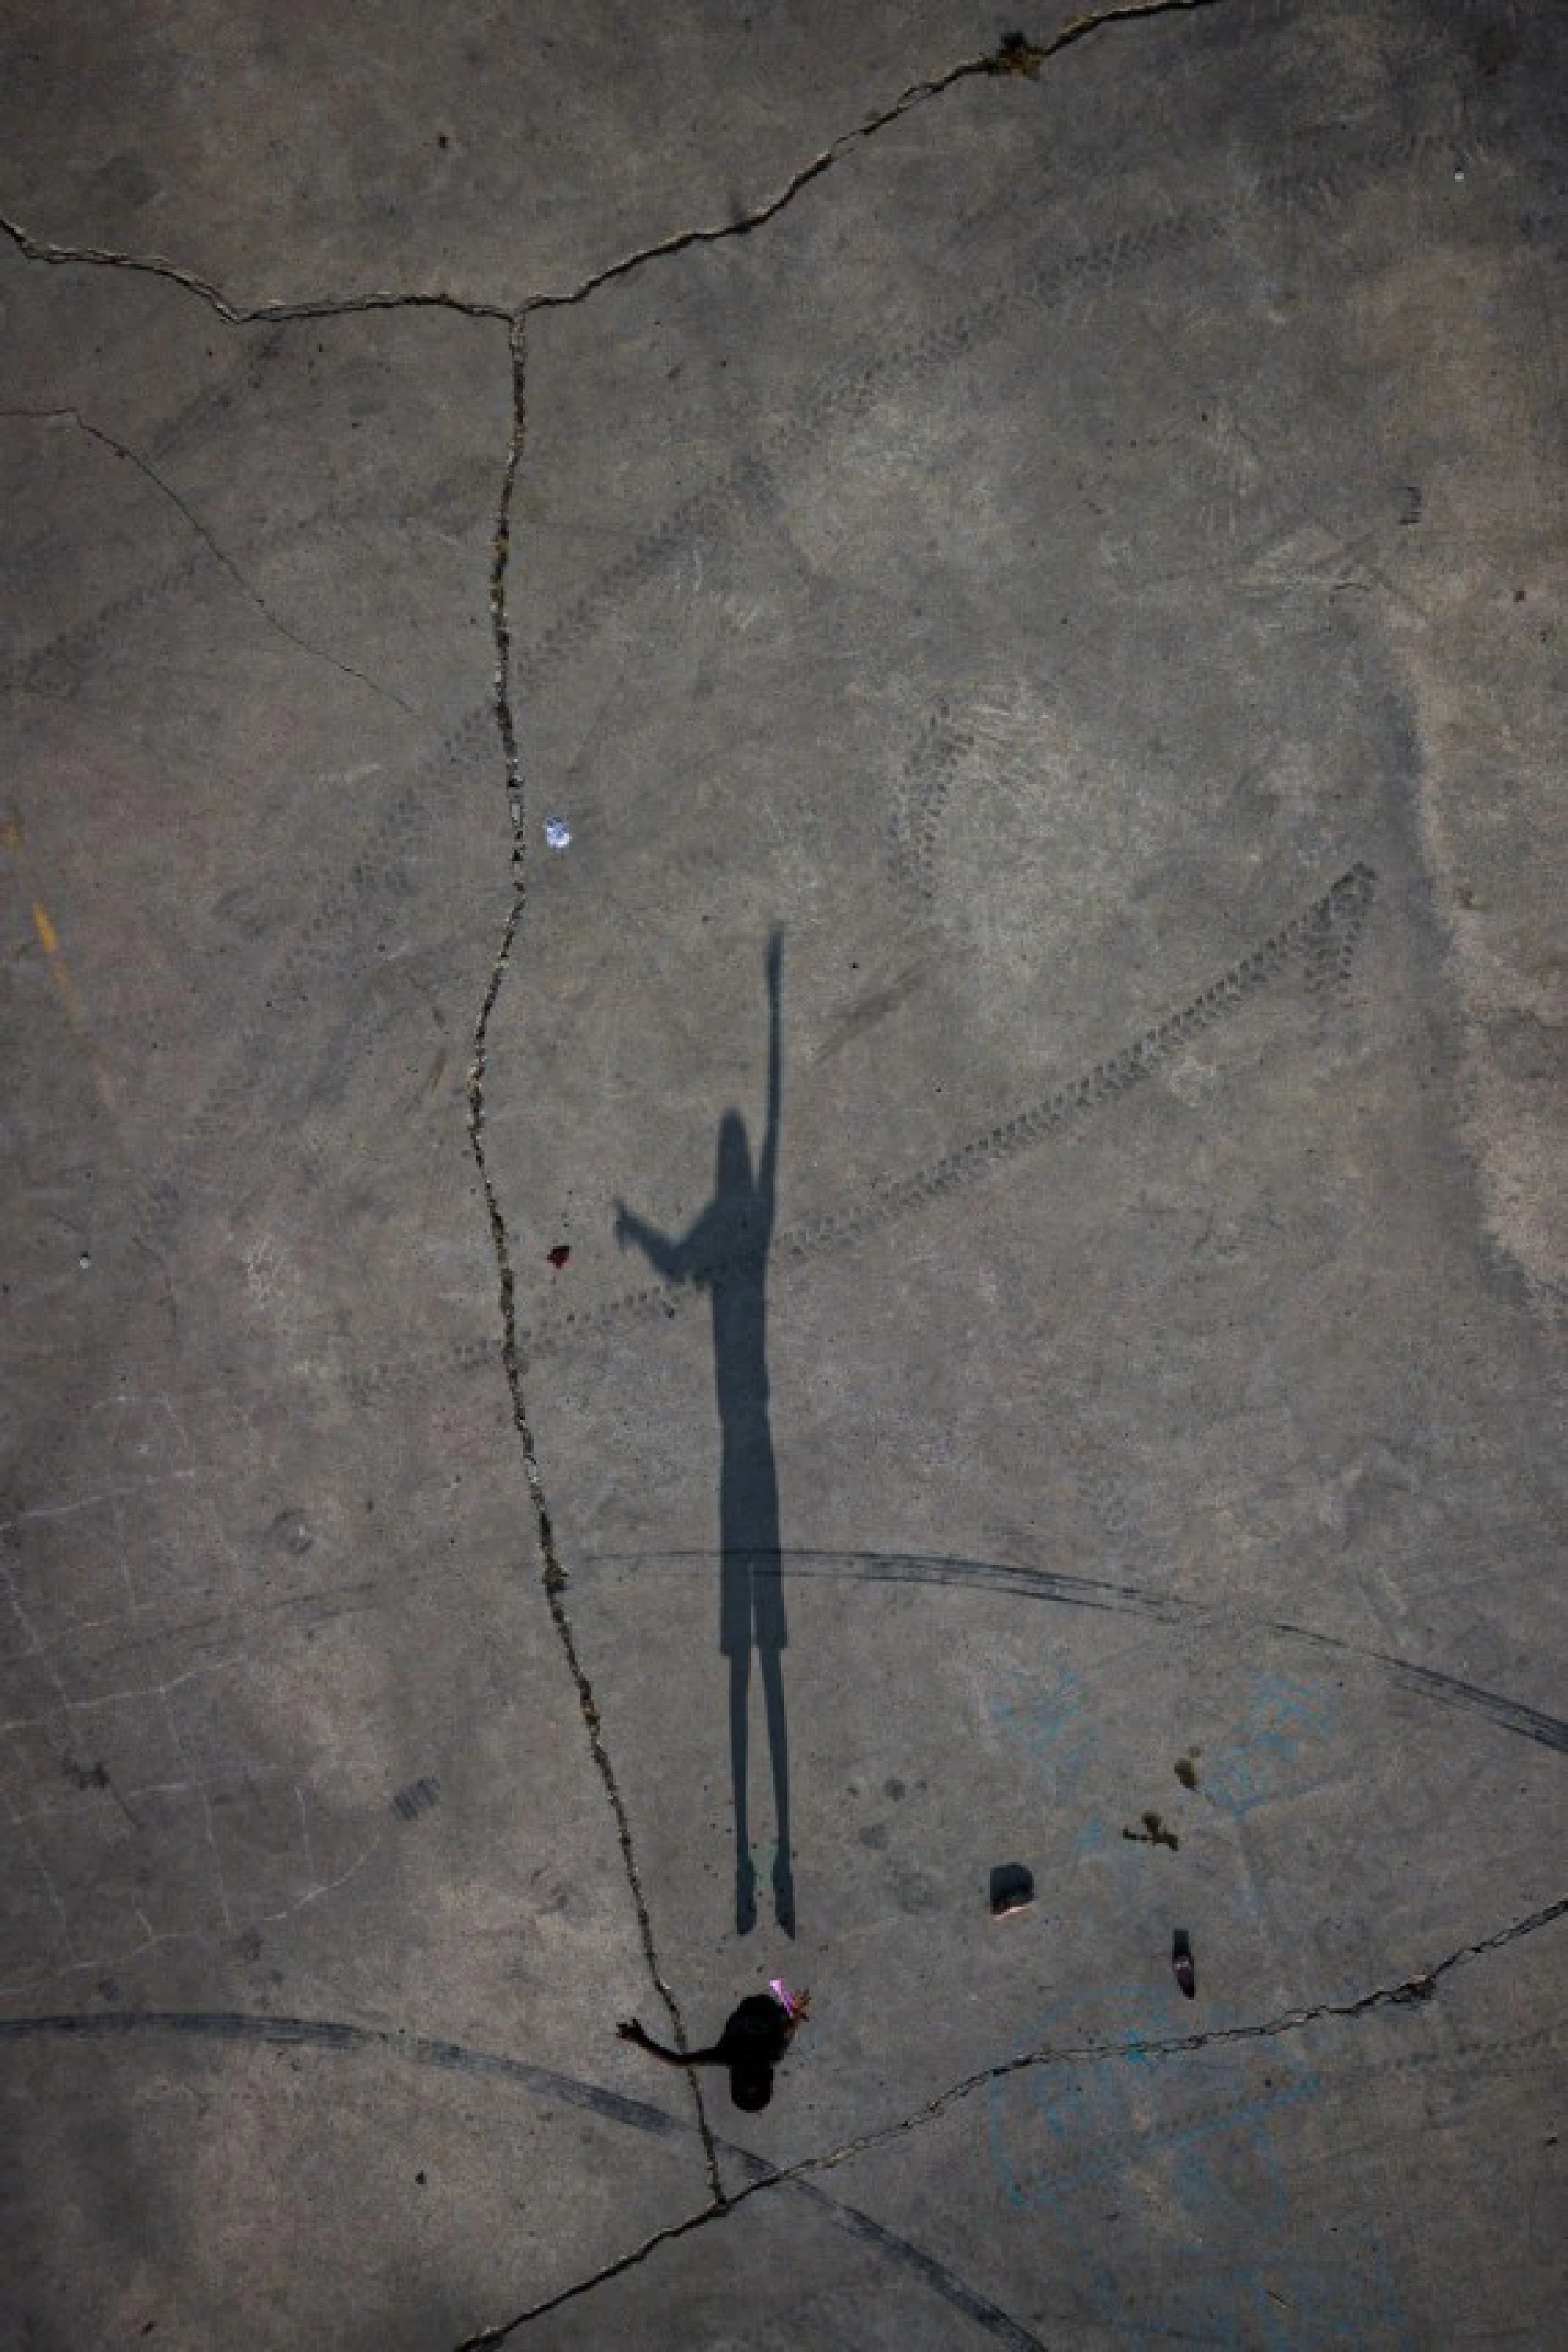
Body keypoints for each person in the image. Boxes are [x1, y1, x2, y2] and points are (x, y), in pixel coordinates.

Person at [615, 928, 793, 1936]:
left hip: (739, 1459)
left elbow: (671, 1262)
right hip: (756, 1449)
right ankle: (761, 1869)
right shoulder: (750, 1219)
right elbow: (772, 1123)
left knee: (748, 1655)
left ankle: (748, 1867)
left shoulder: (731, 1226)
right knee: (760, 1653)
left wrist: (636, 1228)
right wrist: (771, 1000)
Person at [617, 1981, 810, 2112]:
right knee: (784, 2020)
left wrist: (641, 2040)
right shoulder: (747, 2056)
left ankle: (784, 2010)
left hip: (757, 2013)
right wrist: (640, 2040)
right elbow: (678, 2062)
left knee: (784, 2020)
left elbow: (678, 2061)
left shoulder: (743, 2056)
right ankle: (785, 2010)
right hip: (762, 2014)